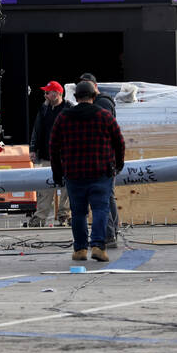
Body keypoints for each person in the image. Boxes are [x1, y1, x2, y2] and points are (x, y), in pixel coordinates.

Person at [49, 80, 125, 262]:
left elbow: (53, 147)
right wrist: (118, 164)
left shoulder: (64, 117)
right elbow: (119, 142)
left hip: (74, 173)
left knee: (78, 213)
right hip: (101, 172)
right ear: (94, 96)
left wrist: (57, 173)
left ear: (75, 97)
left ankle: (80, 249)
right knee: (100, 209)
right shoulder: (104, 116)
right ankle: (98, 246)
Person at [81, 72, 121, 247]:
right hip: (106, 158)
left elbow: (103, 133)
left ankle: (109, 235)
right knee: (107, 196)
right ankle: (113, 231)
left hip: (102, 159)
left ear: (95, 87)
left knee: (101, 198)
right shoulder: (102, 103)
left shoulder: (101, 104)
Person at [28, 81, 70, 227]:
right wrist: (33, 149)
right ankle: (40, 217)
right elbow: (37, 129)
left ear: (57, 93)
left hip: (65, 156)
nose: (45, 95)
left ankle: (64, 216)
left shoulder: (68, 108)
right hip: (47, 155)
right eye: (45, 92)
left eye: (48, 92)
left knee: (66, 189)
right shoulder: (44, 108)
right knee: (45, 188)